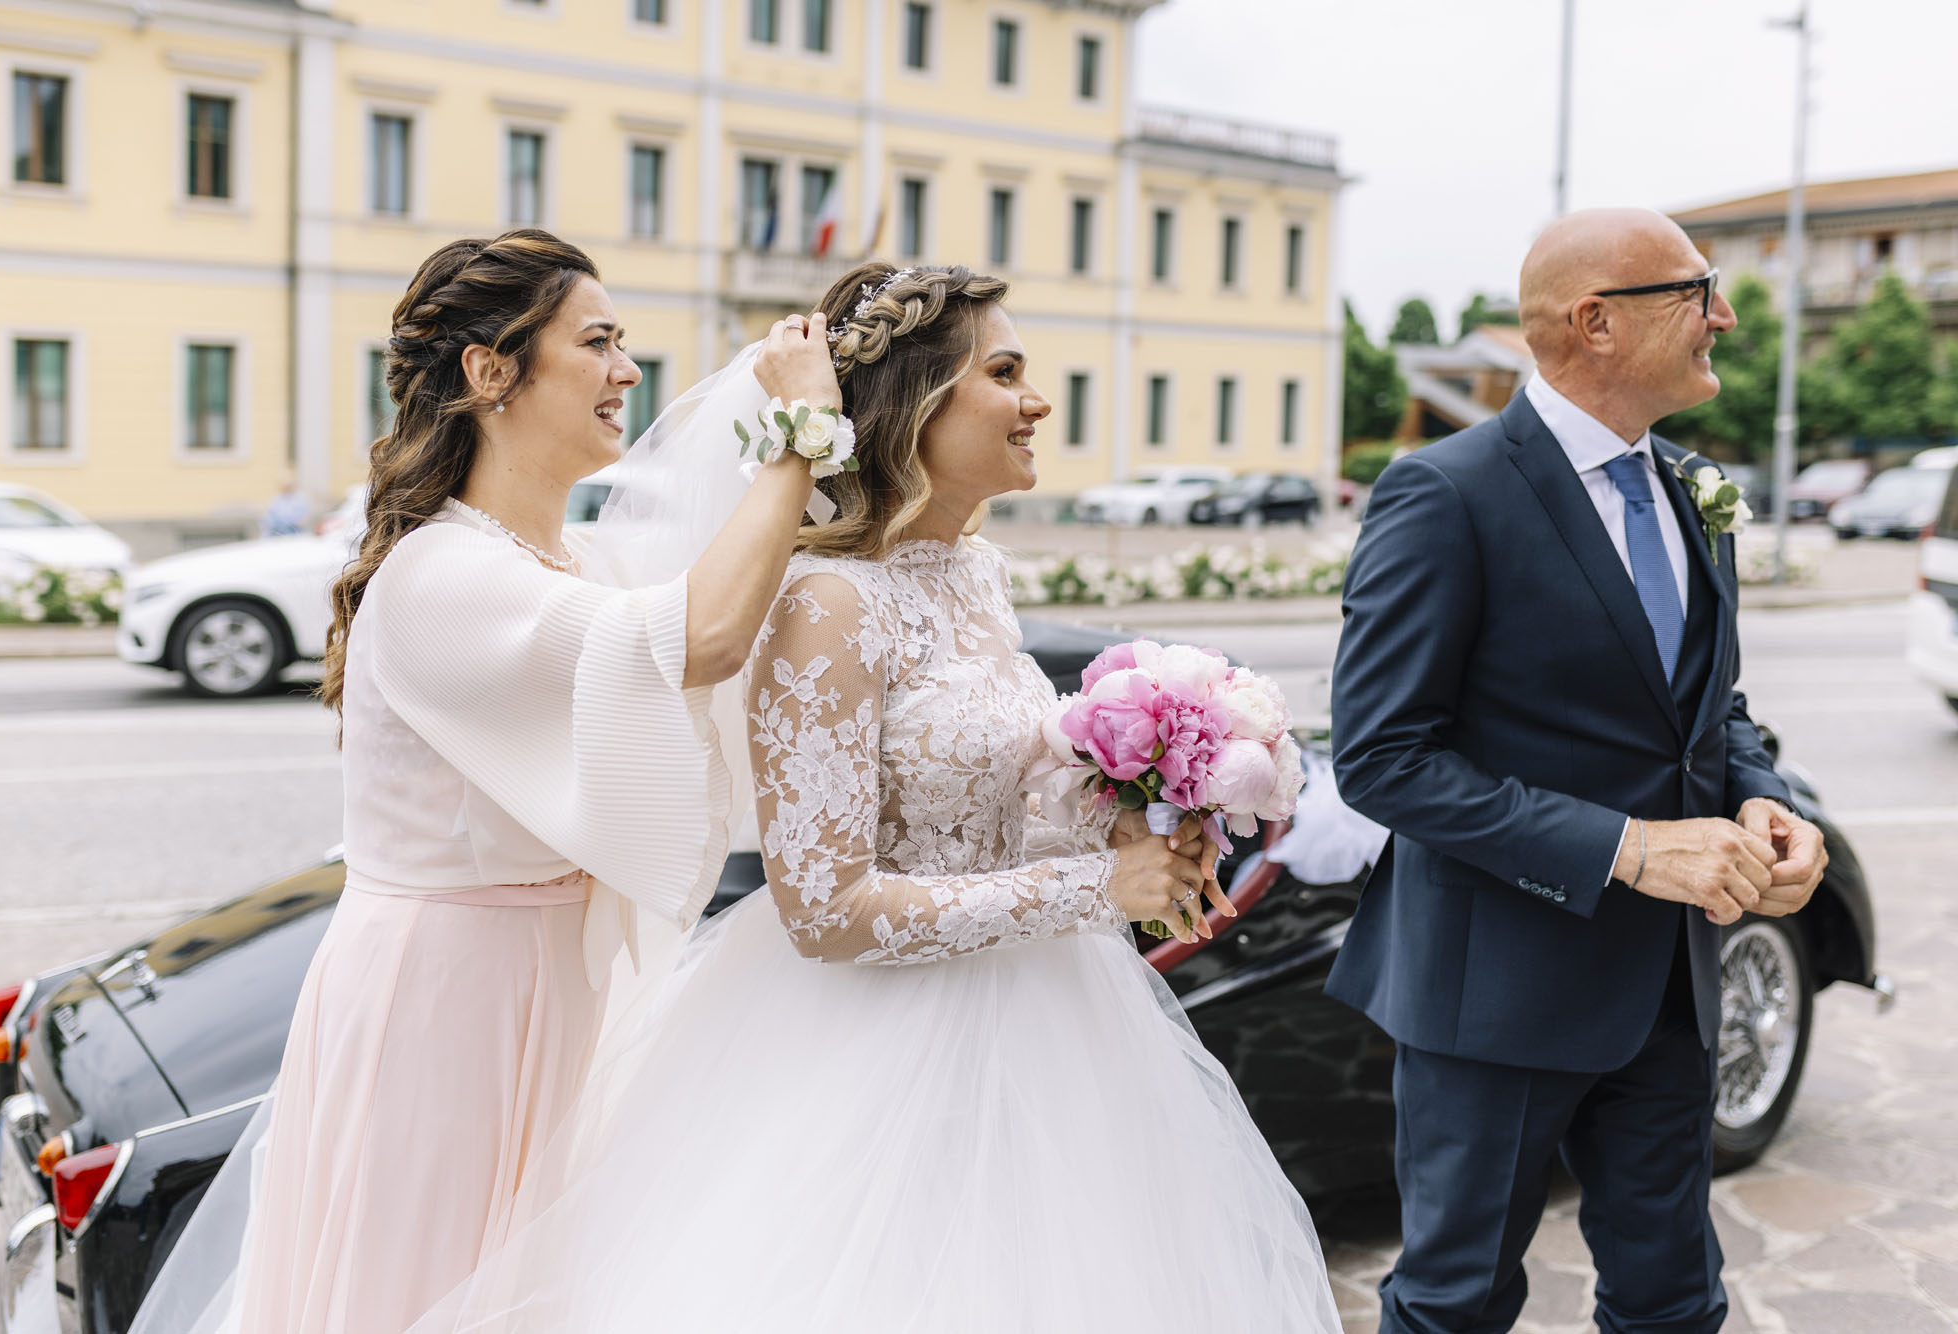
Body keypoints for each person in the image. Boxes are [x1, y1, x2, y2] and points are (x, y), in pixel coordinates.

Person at [402, 262, 1343, 1334]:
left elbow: (982, 795)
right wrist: (1098, 883)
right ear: (914, 407)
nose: (1036, 399)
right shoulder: (828, 602)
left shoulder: (974, 571)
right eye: (1005, 371)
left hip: (1049, 1021)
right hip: (873, 1046)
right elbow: (826, 905)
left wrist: (1122, 808)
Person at [128, 229, 842, 1334]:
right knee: (428, 1290)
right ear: (489, 370)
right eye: (597, 342)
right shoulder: (439, 575)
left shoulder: (579, 562)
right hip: (444, 997)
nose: (627, 371)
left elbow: (720, 649)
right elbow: (695, 638)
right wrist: (802, 435)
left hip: (551, 984)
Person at [1326, 208, 1830, 1334]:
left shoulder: (1694, 486)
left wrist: (1765, 799)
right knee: (1453, 1303)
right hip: (1494, 989)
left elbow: (1707, 711)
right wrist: (1632, 848)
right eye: (1695, 290)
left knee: (1672, 1299)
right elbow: (1380, 755)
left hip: (1666, 983)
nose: (1725, 314)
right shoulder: (1444, 493)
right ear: (1593, 321)